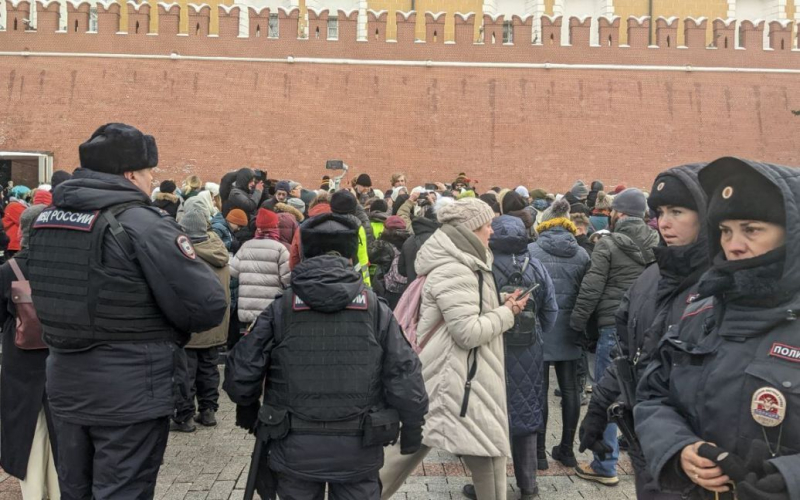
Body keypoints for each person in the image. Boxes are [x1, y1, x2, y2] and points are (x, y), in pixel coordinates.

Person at [27, 123, 227, 499]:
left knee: (75, 490)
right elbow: (206, 304)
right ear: (131, 173)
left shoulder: (45, 221)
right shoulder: (143, 224)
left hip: (65, 386)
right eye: (150, 172)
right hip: (132, 391)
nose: (152, 181)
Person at [224, 212, 428, 500]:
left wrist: (246, 407)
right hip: (359, 448)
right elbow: (404, 371)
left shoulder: (282, 307)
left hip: (293, 445)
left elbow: (241, 370)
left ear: (304, 253)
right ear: (351, 255)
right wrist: (413, 425)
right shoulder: (374, 308)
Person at [635, 157, 800, 500]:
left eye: (751, 229)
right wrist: (679, 448)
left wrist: (788, 479)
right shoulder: (701, 311)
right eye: (725, 230)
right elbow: (652, 394)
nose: (733, 244)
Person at [380, 198, 531, 500]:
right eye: (487, 224)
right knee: (485, 455)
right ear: (470, 228)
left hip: (457, 376)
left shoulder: (465, 262)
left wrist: (497, 303)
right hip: (458, 380)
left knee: (410, 450)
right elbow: (467, 332)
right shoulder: (457, 268)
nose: (492, 230)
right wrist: (507, 314)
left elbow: (462, 316)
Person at [578, 163, 708, 500]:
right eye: (661, 211)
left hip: (695, 461)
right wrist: (598, 408)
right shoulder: (651, 277)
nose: (665, 222)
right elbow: (628, 354)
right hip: (645, 450)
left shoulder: (722, 285)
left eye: (678, 211)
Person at [459, 215, 558, 500]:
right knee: (526, 415)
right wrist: (536, 334)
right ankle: (528, 486)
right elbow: (550, 310)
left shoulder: (483, 266)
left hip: (490, 348)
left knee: (489, 415)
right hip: (528, 351)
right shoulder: (536, 265)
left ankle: (487, 487)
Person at [570, 188, 659, 486]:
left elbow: (592, 287)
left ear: (618, 213)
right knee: (646, 393)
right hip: (651, 327)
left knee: (607, 394)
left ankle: (605, 465)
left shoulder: (607, 245)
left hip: (614, 325)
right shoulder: (659, 242)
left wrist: (577, 323)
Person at [0, 204, 59, 499]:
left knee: (28, 431)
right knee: (60, 431)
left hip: (21, 362)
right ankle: (60, 489)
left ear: (22, 231)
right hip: (60, 358)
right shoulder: (64, 266)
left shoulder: (8, 270)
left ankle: (34, 492)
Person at [528, 199, 591, 470]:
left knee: (538, 391)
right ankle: (567, 450)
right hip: (571, 328)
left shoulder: (531, 250)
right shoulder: (582, 254)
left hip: (540, 327)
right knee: (570, 390)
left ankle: (539, 453)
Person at [172, 210, 231, 432]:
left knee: (185, 373)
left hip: (190, 325)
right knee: (209, 368)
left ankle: (184, 416)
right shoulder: (219, 250)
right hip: (216, 325)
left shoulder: (185, 256)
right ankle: (208, 411)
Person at [230, 208, 290, 326]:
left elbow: (233, 271)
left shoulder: (246, 246)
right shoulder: (280, 249)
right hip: (270, 309)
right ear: (274, 227)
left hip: (247, 309)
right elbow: (287, 278)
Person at [330, 191, 372, 286]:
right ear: (354, 209)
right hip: (353, 281)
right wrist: (367, 286)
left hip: (328, 280)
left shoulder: (324, 225)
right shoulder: (358, 227)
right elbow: (362, 259)